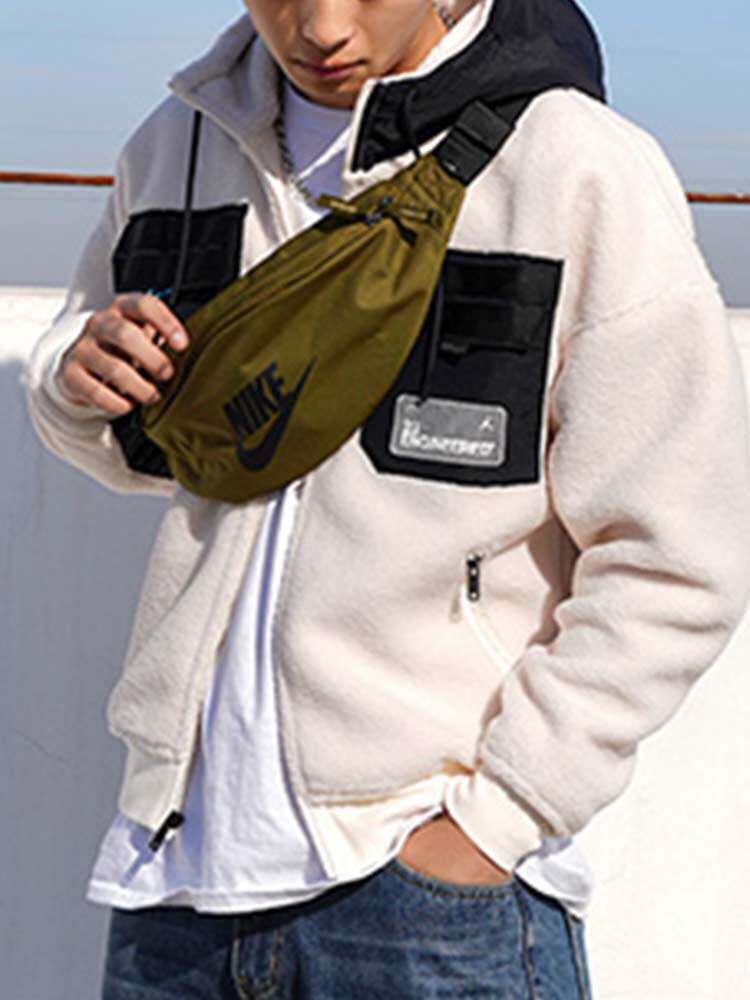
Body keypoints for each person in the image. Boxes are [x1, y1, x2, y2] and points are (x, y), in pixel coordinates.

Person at [25, 0, 750, 997]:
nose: (321, 28)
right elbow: (147, 443)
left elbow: (678, 553)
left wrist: (496, 820)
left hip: (428, 895)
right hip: (176, 877)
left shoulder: (576, 164)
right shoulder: (178, 144)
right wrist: (76, 382)